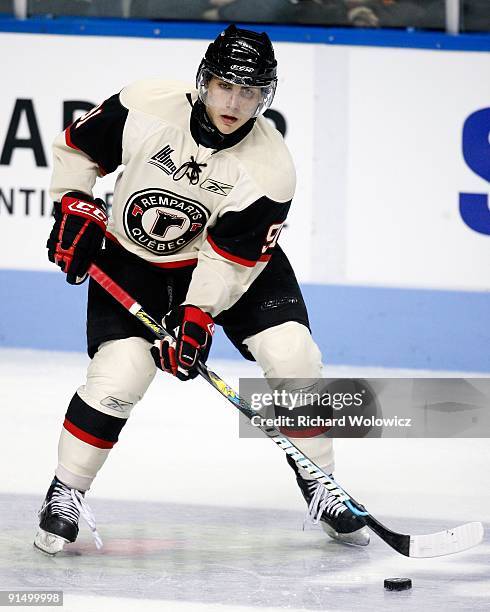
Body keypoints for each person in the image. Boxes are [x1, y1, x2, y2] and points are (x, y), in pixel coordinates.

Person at [34, 25, 369, 555]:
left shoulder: (270, 168)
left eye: (252, 91)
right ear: (204, 82)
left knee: (293, 354)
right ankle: (66, 491)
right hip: (132, 262)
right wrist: (73, 201)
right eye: (226, 86)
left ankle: (321, 481)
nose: (236, 102)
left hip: (228, 269)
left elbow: (228, 259)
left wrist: (197, 314)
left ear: (267, 96)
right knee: (119, 378)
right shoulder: (145, 104)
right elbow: (76, 150)